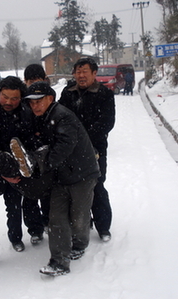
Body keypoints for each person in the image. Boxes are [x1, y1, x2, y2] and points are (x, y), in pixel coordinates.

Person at [10, 81, 101, 276]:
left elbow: (62, 149)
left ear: (50, 99)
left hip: (82, 175)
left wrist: (36, 165)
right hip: (60, 176)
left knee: (78, 217)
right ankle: (59, 261)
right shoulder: (41, 117)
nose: (34, 106)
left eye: (39, 101)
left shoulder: (63, 117)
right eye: (31, 102)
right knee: (57, 218)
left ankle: (79, 243)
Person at [0, 76, 44, 265]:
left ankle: (23, 234)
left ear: (21, 98)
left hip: (14, 161)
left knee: (17, 201)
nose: (9, 102)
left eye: (14, 98)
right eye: (5, 96)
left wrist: (17, 162)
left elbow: (28, 136)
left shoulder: (24, 110)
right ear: (0, 92)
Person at [59, 58, 116, 242]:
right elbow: (60, 118)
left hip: (95, 149)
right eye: (78, 72)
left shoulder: (104, 94)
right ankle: (84, 222)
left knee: (97, 185)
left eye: (85, 72)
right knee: (75, 188)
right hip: (71, 150)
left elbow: (107, 122)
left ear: (94, 73)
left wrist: (83, 139)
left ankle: (103, 226)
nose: (81, 75)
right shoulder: (68, 94)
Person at [22, 64, 51, 229]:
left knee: (48, 192)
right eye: (30, 81)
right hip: (27, 154)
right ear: (25, 82)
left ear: (44, 80)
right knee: (29, 195)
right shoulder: (23, 102)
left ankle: (48, 221)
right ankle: (34, 228)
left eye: (37, 80)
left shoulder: (49, 98)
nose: (33, 84)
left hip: (47, 154)